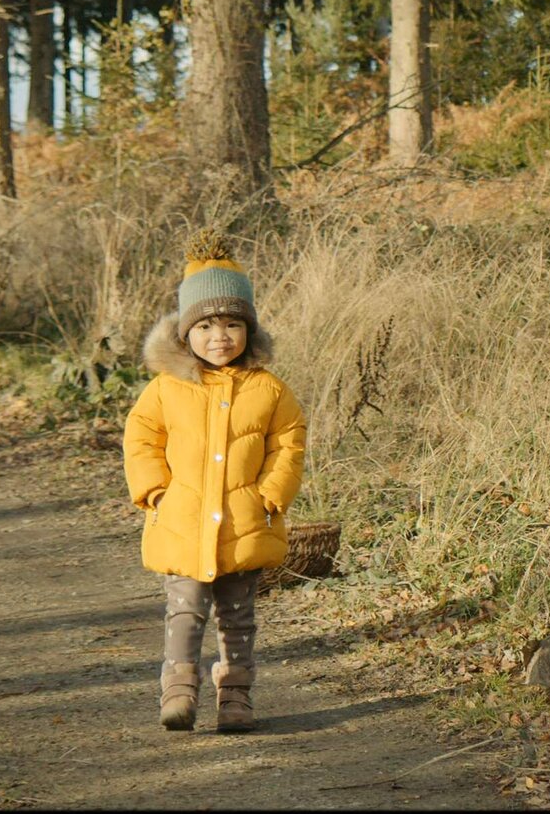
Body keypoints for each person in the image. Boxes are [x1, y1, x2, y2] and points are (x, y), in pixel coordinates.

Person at [123, 232, 307, 732]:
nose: (219, 336)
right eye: (205, 325)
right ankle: (179, 691)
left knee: (238, 617)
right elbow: (141, 439)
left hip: (245, 522)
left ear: (249, 330)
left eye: (231, 324)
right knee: (184, 613)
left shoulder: (269, 389)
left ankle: (236, 697)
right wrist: (156, 490)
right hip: (182, 520)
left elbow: (288, 443)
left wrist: (272, 495)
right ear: (186, 334)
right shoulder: (166, 389)